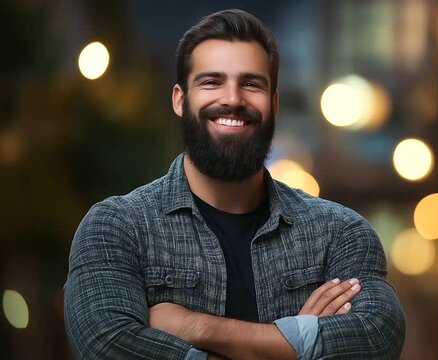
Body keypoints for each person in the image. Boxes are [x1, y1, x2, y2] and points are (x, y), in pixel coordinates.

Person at [64, 9, 405, 360]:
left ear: (274, 103)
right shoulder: (116, 227)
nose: (233, 99)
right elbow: (108, 344)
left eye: (251, 84)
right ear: (181, 100)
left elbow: (377, 336)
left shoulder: (340, 233)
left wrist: (197, 326)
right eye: (212, 82)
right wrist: (294, 344)